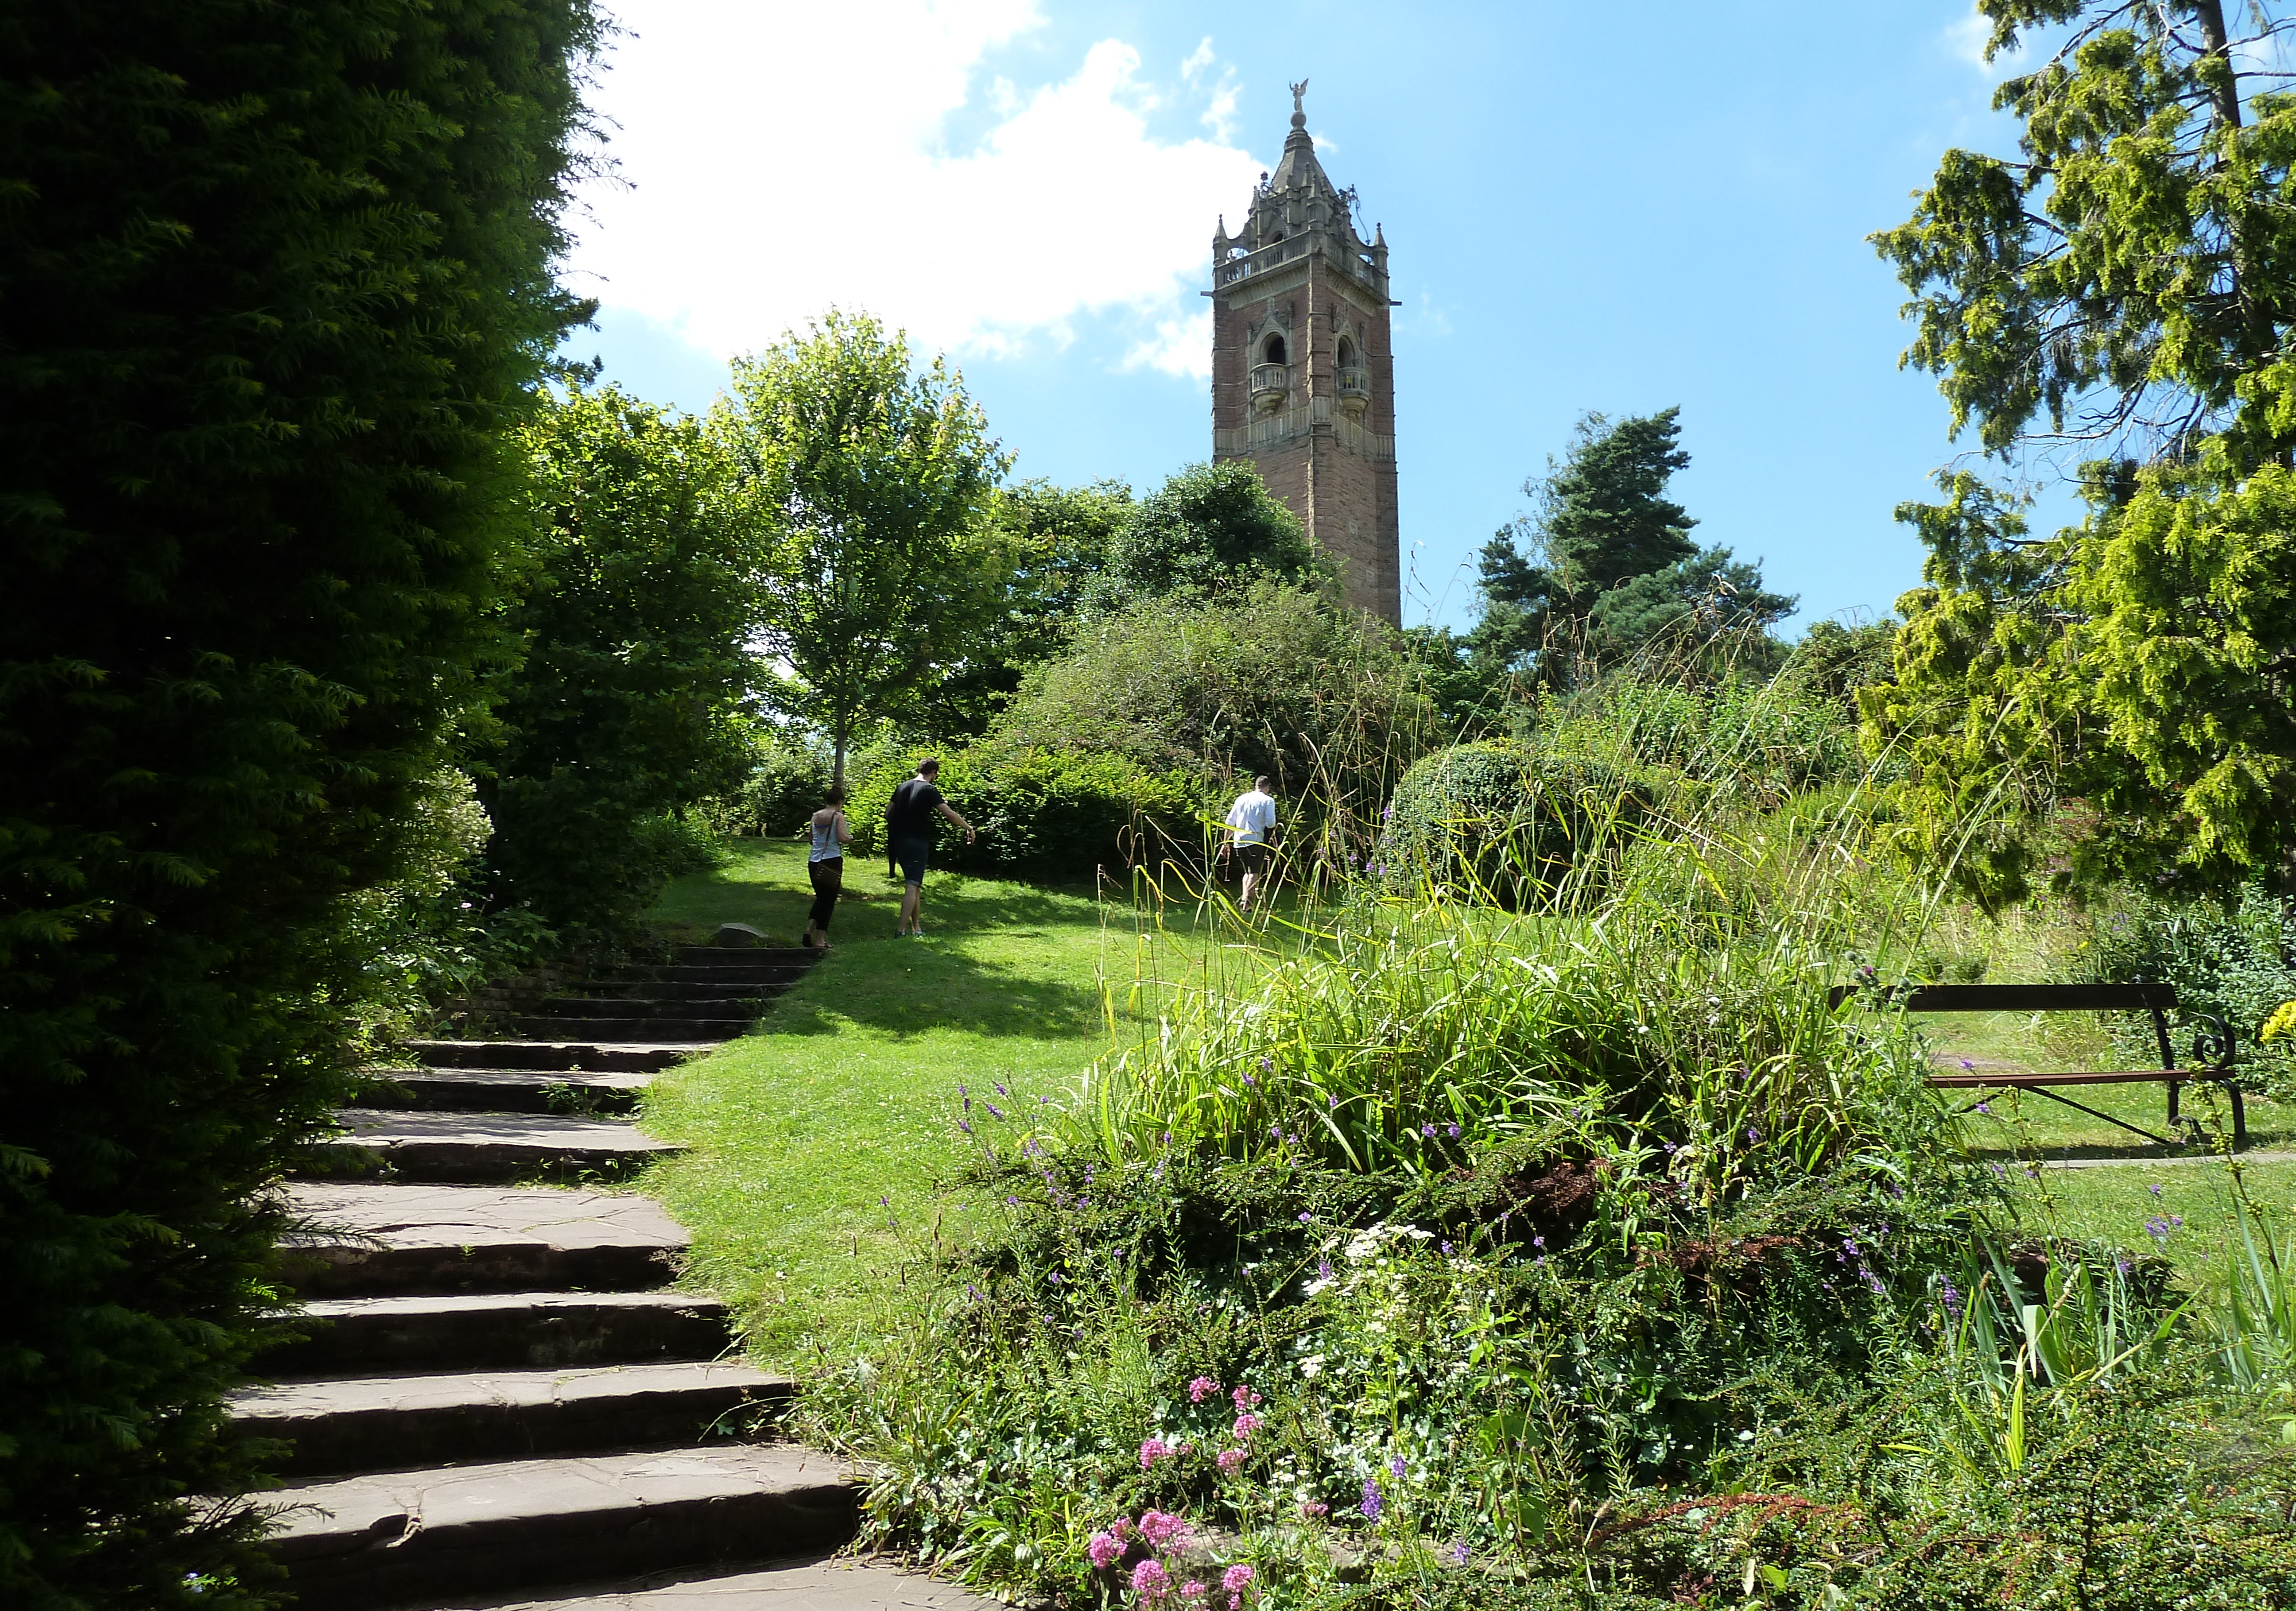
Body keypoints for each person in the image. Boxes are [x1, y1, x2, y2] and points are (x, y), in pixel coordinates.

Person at [885, 757, 975, 938]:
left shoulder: (902, 787)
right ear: (933, 773)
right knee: (912, 885)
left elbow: (888, 814)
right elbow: (949, 814)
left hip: (898, 841)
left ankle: (916, 928)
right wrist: (968, 828)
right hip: (917, 841)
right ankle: (900, 931)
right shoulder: (929, 789)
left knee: (915, 884)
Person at [802, 786, 851, 950]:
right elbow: (842, 837)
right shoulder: (838, 816)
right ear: (840, 802)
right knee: (829, 900)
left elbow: (811, 839)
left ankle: (809, 930)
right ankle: (820, 940)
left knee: (821, 898)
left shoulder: (815, 816)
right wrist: (850, 838)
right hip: (832, 861)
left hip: (814, 861)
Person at [1224, 773, 1278, 912]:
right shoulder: (1268, 800)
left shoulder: (1241, 798)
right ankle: (1247, 904)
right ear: (1267, 787)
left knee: (1247, 873)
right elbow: (1271, 823)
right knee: (1254, 873)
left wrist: (1225, 843)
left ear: (1256, 785)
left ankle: (1245, 900)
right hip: (1255, 840)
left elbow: (1230, 821)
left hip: (1239, 840)